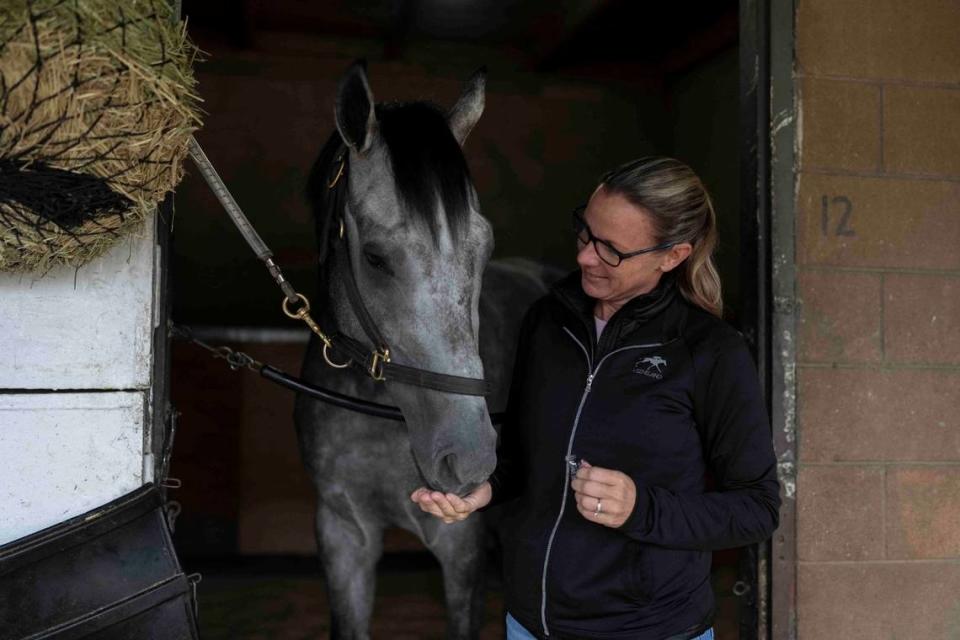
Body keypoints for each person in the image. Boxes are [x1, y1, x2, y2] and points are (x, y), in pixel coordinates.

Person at [411, 157, 781, 640]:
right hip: (530, 623)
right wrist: (483, 490)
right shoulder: (547, 321)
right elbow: (523, 455)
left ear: (672, 256)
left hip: (649, 629)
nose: (586, 257)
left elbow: (758, 509)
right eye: (586, 234)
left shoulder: (710, 352)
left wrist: (640, 508)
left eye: (612, 250)